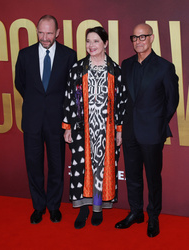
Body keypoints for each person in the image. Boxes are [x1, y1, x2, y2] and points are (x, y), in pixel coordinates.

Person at [115, 23, 179, 237]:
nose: (138, 41)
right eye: (134, 37)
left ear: (152, 38)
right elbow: (122, 99)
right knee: (133, 175)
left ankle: (153, 216)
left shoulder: (164, 67)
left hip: (152, 132)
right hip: (130, 131)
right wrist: (122, 128)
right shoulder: (126, 64)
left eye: (143, 37)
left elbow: (172, 100)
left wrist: (159, 122)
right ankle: (136, 212)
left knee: (153, 177)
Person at [62, 26, 127, 229]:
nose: (91, 45)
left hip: (106, 130)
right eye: (88, 41)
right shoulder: (77, 69)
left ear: (105, 43)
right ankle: (83, 208)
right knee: (82, 169)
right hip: (83, 129)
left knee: (101, 169)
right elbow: (69, 99)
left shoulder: (115, 70)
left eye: (96, 41)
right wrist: (67, 126)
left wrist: (119, 131)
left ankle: (97, 208)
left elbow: (121, 103)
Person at [15, 15, 77, 224]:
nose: (44, 37)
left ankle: (53, 206)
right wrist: (36, 103)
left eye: (49, 33)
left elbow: (71, 89)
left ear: (57, 33)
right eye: (41, 32)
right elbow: (20, 83)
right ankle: (38, 206)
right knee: (33, 165)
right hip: (32, 120)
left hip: (56, 120)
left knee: (56, 165)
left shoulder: (69, 55)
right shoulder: (25, 55)